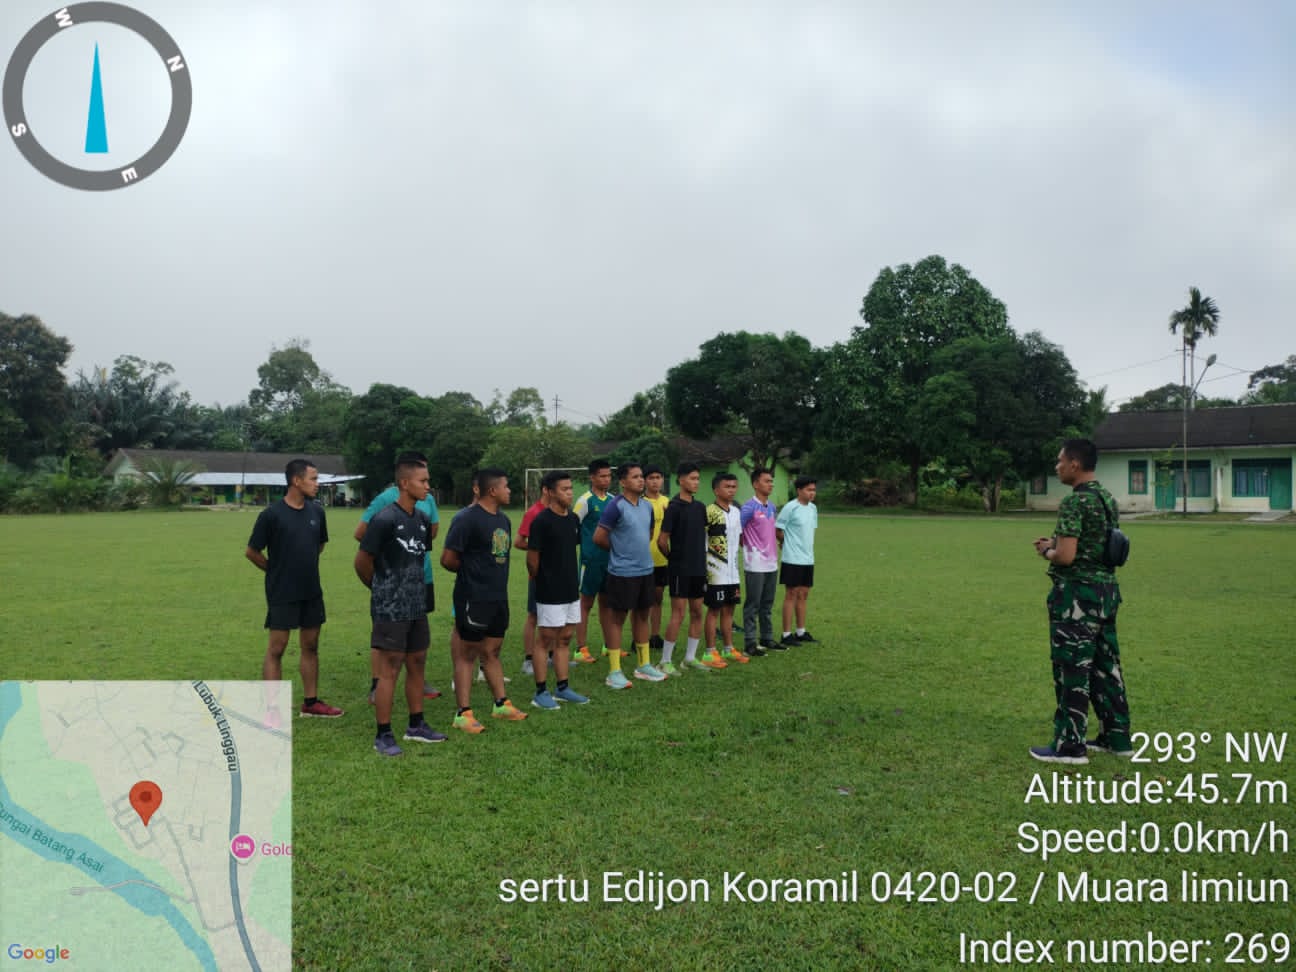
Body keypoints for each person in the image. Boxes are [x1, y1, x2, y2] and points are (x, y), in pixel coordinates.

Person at [1029, 438, 1132, 765]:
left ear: (1075, 464)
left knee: (1072, 667)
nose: (1057, 467)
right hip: (1106, 593)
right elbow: (1093, 544)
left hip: (1077, 597)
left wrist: (1048, 550)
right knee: (1106, 666)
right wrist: (1056, 542)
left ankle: (1069, 746)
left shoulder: (1074, 503)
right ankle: (1116, 737)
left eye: (1060, 461)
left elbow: (1067, 556)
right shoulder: (1106, 499)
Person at [354, 457, 446, 755]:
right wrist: (382, 590)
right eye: (423, 481)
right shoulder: (384, 519)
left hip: (417, 606)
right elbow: (362, 562)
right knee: (390, 669)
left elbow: (417, 559)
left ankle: (416, 725)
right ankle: (383, 734)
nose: (428, 487)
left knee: (417, 663)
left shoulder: (420, 519)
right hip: (390, 610)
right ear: (405, 483)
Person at [245, 459, 343, 722]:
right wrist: (274, 571)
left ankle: (311, 702)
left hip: (311, 590)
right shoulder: (271, 515)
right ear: (296, 481)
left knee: (311, 645)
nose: (317, 484)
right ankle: (272, 709)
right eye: (313, 478)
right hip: (282, 592)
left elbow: (319, 545)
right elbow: (252, 552)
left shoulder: (317, 512)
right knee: (277, 648)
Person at [440, 467, 527, 732]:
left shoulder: (504, 520)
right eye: (506, 486)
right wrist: (472, 576)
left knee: (492, 651)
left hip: (498, 597)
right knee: (467, 655)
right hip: (473, 597)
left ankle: (501, 704)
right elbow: (448, 559)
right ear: (493, 490)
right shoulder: (466, 519)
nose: (510, 490)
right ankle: (463, 713)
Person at [594, 462, 667, 688]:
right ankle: (614, 671)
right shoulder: (616, 506)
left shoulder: (647, 506)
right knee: (618, 619)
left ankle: (643, 665)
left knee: (643, 615)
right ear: (623, 482)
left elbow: (650, 533)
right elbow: (599, 537)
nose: (641, 480)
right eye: (635, 477)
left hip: (646, 570)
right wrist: (619, 551)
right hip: (622, 573)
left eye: (641, 476)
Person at [524, 470, 590, 708]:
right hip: (549, 591)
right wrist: (542, 581)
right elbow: (532, 560)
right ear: (550, 492)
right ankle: (541, 692)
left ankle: (563, 687)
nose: (569, 493)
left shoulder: (573, 519)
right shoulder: (541, 521)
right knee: (546, 639)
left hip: (571, 589)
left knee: (565, 638)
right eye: (564, 489)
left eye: (571, 488)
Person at [657, 462, 712, 672]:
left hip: (698, 568)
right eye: (692, 478)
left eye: (698, 478)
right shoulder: (673, 507)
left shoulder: (700, 507)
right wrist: (673, 559)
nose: (696, 482)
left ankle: (690, 658)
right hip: (680, 569)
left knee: (698, 612)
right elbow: (662, 541)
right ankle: (665, 661)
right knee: (678, 614)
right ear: (680, 480)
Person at [703, 472, 748, 666]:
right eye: (727, 486)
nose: (731, 490)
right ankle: (709, 652)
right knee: (714, 610)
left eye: (734, 486)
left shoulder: (737, 512)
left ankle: (728, 649)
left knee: (730, 609)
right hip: (715, 571)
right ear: (716, 489)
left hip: (732, 571)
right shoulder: (709, 512)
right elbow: (701, 541)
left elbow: (738, 540)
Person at [571, 458, 613, 665]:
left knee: (607, 603)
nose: (606, 480)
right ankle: (581, 648)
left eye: (609, 476)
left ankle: (608, 646)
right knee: (585, 603)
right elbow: (572, 527)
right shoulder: (584, 501)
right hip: (590, 560)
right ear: (592, 477)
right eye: (602, 476)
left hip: (610, 560)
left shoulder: (613, 500)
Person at [739, 467, 779, 654]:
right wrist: (750, 550)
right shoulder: (748, 508)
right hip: (755, 564)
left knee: (767, 603)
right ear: (756, 484)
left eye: (771, 481)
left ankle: (767, 637)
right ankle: (749, 642)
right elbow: (736, 532)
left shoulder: (771, 507)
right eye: (766, 481)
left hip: (772, 563)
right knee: (753, 604)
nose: (770, 484)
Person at [776, 475, 819, 646]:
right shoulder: (790, 507)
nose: (812, 493)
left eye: (814, 490)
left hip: (808, 558)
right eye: (809, 490)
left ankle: (800, 631)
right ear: (799, 490)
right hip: (792, 558)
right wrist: (785, 544)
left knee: (804, 594)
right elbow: (779, 530)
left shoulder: (813, 509)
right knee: (791, 594)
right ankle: (786, 634)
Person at [515, 484, 549, 677]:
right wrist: (539, 548)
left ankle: (550, 656)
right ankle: (528, 659)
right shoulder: (534, 512)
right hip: (538, 573)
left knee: (554, 617)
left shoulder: (559, 512)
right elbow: (519, 542)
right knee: (534, 615)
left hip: (557, 574)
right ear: (547, 490)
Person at [642, 464, 670, 655]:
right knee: (642, 601)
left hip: (662, 559)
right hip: (642, 559)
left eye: (658, 477)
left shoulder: (667, 502)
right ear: (644, 480)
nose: (655, 481)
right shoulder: (640, 502)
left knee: (658, 598)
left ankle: (655, 635)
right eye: (651, 477)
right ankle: (640, 637)